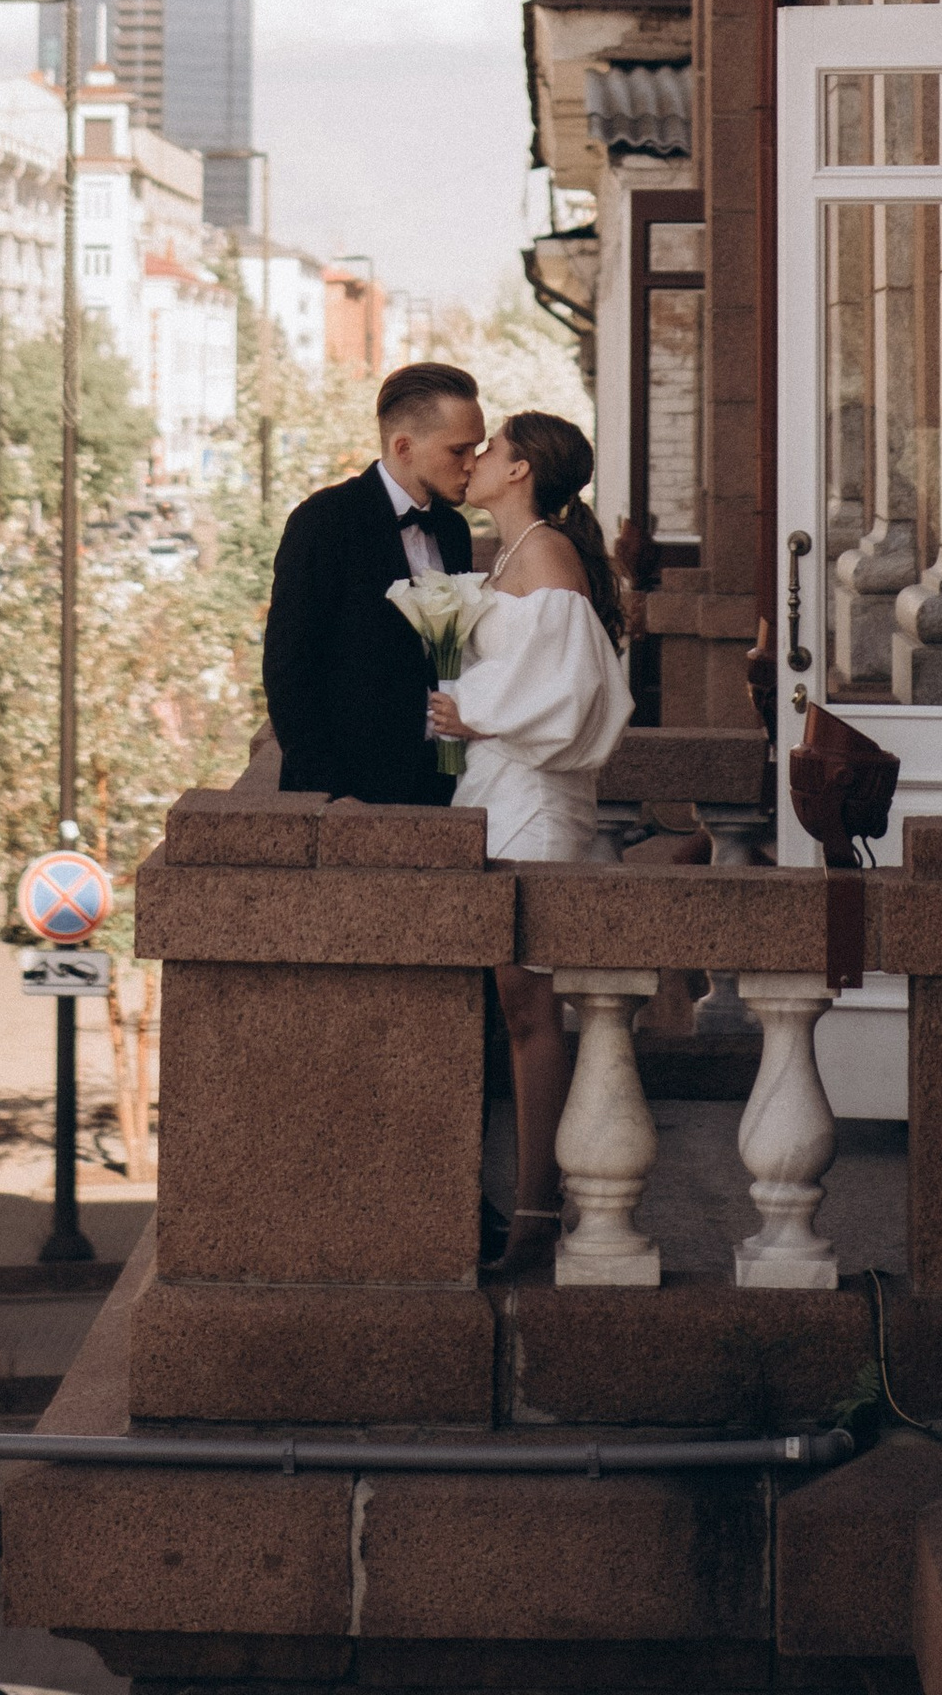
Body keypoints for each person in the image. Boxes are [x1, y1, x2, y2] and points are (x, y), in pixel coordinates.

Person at [424, 410, 635, 1279]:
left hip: (536, 798)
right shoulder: (512, 555)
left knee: (529, 1006)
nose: (472, 460)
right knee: (514, 1005)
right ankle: (531, 1199)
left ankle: (539, 1211)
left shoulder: (548, 555)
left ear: (520, 472)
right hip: (496, 787)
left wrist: (475, 714)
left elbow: (576, 689)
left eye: (490, 448)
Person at [261, 362, 485, 805]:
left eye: (476, 449)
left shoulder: (454, 529)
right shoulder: (324, 521)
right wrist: (328, 792)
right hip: (351, 791)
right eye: (458, 451)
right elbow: (289, 667)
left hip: (442, 783)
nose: (471, 465)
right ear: (404, 447)